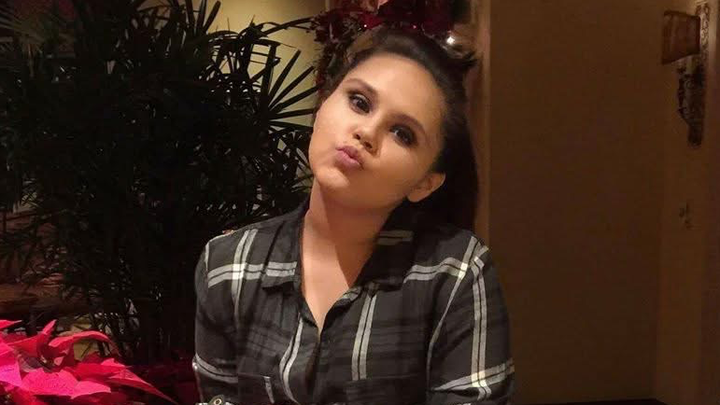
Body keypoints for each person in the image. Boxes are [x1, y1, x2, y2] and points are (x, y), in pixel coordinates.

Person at [193, 27, 515, 405]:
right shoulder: (228, 264)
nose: (366, 132)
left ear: (425, 183)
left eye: (403, 133)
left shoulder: (455, 271)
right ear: (323, 103)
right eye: (359, 102)